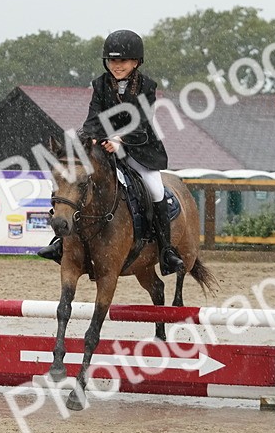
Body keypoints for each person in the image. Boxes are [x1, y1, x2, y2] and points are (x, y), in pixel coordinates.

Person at [37, 29, 185, 274]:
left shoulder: (147, 86)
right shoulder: (100, 84)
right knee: (72, 179)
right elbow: (93, 118)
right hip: (104, 150)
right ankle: (60, 242)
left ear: (136, 62)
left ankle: (166, 250)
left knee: (156, 190)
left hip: (139, 149)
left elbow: (143, 122)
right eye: (113, 61)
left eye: (123, 61)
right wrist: (91, 138)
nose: (117, 66)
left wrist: (120, 139)